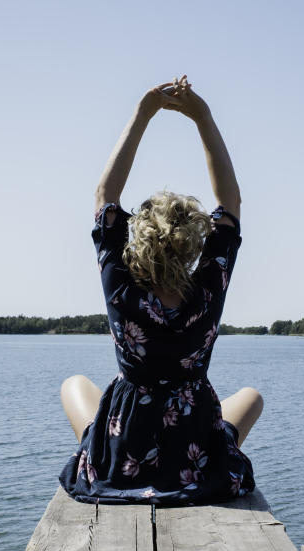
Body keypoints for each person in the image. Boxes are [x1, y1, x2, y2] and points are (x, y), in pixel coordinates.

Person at [59, 76, 262, 505]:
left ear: (141, 236)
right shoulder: (207, 290)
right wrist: (202, 116)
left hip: (122, 454)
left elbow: (104, 195)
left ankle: (93, 448)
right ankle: (196, 450)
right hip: (195, 454)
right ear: (193, 243)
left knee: (74, 384)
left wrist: (143, 112)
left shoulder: (120, 284)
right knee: (251, 399)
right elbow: (231, 202)